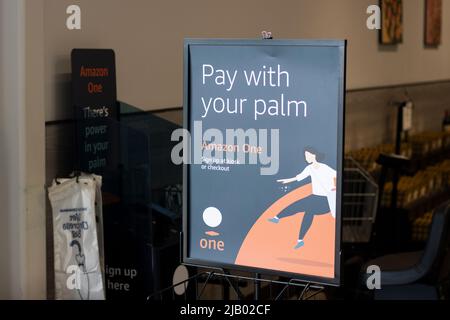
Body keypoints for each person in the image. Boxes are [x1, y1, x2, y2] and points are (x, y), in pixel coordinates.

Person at [268, 147, 337, 249]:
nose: (306, 158)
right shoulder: (309, 168)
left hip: (325, 201)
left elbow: (336, 175)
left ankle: (297, 237)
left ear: (314, 155)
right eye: (305, 156)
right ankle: (278, 219)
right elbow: (299, 177)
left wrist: (334, 187)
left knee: (307, 210)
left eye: (308, 155)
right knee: (300, 206)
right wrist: (287, 180)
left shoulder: (324, 167)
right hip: (314, 197)